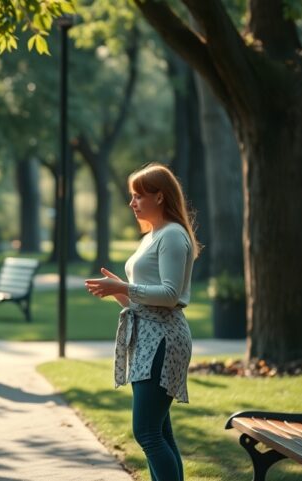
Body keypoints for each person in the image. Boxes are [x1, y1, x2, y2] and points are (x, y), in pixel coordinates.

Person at [84, 163, 198, 481]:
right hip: (147, 336)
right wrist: (118, 293)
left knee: (147, 432)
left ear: (159, 197)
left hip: (164, 339)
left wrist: (123, 287)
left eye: (138, 196)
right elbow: (145, 299)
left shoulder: (173, 235)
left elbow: (171, 294)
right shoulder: (153, 235)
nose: (132, 203)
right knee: (159, 432)